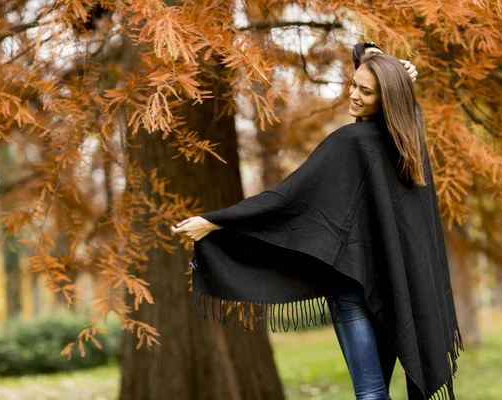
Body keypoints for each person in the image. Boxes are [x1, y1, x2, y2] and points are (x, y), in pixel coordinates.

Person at [171, 45, 462, 400]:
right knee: (374, 393)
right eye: (353, 84)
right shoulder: (408, 139)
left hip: (360, 291)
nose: (353, 95)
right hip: (387, 285)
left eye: (365, 91)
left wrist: (214, 222)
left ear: (388, 97)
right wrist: (384, 64)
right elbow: (368, 59)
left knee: (370, 394)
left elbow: (284, 200)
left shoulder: (352, 142)